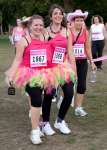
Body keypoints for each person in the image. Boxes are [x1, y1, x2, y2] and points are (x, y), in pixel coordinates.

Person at [5, 14, 76, 144]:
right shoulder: (23, 41)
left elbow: (58, 39)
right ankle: (35, 131)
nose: (38, 27)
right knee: (37, 100)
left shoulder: (44, 35)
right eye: (35, 25)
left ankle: (44, 124)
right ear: (30, 27)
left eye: (41, 25)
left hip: (46, 73)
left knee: (46, 98)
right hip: (30, 74)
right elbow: (17, 59)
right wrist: (11, 74)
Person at [41, 4, 76, 136]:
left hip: (63, 68)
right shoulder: (44, 31)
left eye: (60, 13)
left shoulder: (67, 31)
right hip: (49, 69)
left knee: (68, 93)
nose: (58, 15)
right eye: (55, 13)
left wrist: (74, 69)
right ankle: (45, 124)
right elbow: (41, 50)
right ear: (51, 16)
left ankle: (60, 121)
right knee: (49, 95)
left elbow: (71, 53)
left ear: (63, 16)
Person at [67, 9, 96, 116]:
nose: (79, 22)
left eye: (81, 20)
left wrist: (92, 62)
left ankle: (78, 107)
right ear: (73, 21)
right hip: (70, 62)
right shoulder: (68, 32)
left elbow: (87, 49)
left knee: (82, 85)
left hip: (82, 61)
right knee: (68, 85)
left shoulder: (85, 32)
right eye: (77, 20)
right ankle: (63, 98)